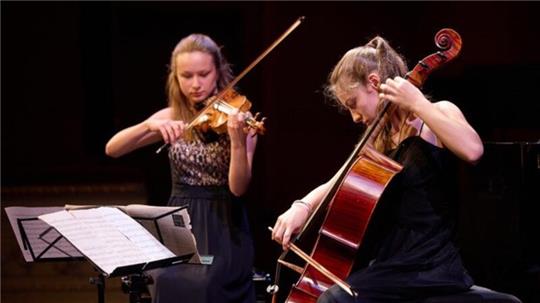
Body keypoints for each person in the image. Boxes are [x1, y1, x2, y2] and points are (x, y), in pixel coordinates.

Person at [271, 35, 484, 302]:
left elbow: (473, 151)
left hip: (431, 266)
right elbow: (336, 182)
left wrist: (417, 102)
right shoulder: (379, 139)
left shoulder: (437, 113)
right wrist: (301, 206)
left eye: (353, 104)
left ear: (374, 83)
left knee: (334, 300)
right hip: (390, 266)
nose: (355, 117)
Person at [106, 33, 257, 303]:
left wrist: (236, 141)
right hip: (179, 222)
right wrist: (148, 126)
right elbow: (113, 149)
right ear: (174, 76)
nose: (196, 84)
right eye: (186, 76)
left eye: (204, 74)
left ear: (218, 72)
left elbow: (238, 187)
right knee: (164, 279)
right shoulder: (172, 117)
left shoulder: (237, 118)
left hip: (221, 223)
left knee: (208, 284)